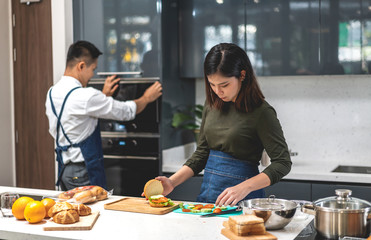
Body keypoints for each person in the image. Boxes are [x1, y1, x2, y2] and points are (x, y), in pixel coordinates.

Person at [156, 43, 291, 206]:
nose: (218, 92)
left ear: (242, 75)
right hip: (209, 199)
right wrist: (172, 182)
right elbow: (202, 153)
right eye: (212, 85)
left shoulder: (262, 112)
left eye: (224, 85)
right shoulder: (211, 104)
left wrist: (244, 187)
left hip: (245, 202)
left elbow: (282, 163)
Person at [45, 40, 162, 191]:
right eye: (93, 69)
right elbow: (126, 111)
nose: (92, 75)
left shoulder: (52, 92)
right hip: (84, 171)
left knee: (73, 212)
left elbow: (78, 113)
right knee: (93, 212)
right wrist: (146, 97)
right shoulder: (87, 95)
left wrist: (103, 96)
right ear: (81, 66)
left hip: (65, 170)